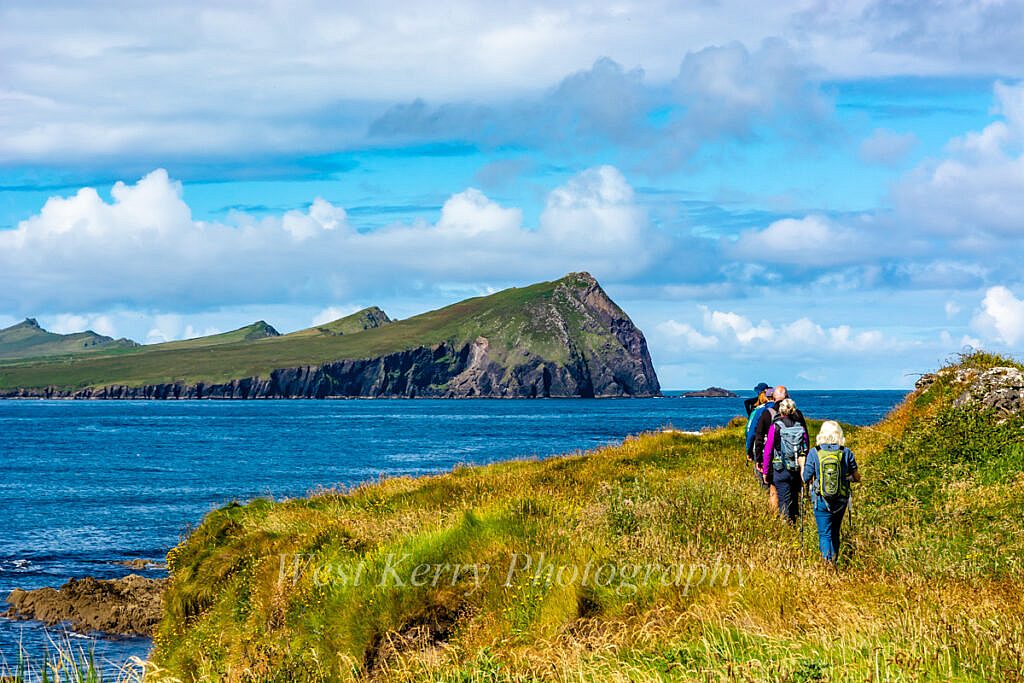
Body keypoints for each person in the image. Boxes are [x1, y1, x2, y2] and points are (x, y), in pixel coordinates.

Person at [803, 420, 861, 564]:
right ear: (839, 434)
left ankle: (826, 563)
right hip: (841, 499)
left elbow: (806, 477)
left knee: (824, 533)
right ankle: (834, 562)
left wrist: (802, 464)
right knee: (835, 531)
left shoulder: (814, 452)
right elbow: (856, 477)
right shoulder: (846, 452)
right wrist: (848, 478)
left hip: (821, 499)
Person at [761, 398, 809, 523]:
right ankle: (795, 523)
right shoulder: (800, 427)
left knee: (783, 500)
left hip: (781, 469)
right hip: (797, 468)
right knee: (794, 499)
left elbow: (768, 451)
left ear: (780, 411)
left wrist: (765, 471)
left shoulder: (775, 427)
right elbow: (806, 447)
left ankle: (786, 527)